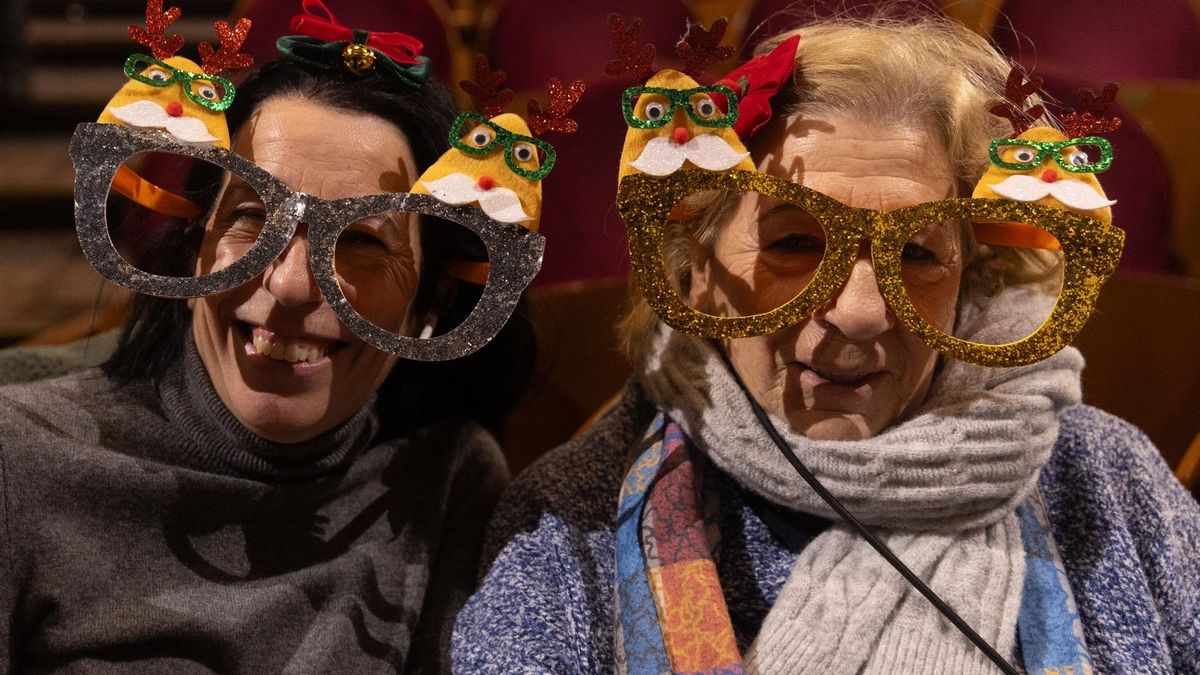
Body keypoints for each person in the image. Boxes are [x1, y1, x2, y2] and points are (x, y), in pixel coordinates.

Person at [452, 14, 1200, 675]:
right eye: (795, 243)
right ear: (695, 269)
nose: (862, 314)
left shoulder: (1108, 482)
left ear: (971, 277)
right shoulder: (570, 523)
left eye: (917, 254)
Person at [0, 20, 538, 673]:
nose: (288, 283)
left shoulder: (444, 483)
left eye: (362, 241)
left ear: (432, 303)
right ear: (195, 249)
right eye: (253, 216)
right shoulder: (20, 460)